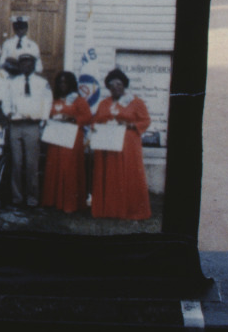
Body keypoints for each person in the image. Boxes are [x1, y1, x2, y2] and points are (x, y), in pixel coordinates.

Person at [90, 68, 151, 221]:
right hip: (108, 145)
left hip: (128, 146)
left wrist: (130, 125)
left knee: (127, 174)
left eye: (119, 83)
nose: (115, 87)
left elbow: (145, 120)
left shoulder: (135, 102)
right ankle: (109, 210)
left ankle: (131, 210)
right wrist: (99, 127)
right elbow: (95, 121)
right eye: (112, 84)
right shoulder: (104, 103)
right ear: (108, 87)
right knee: (109, 175)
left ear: (124, 85)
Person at [41, 71, 93, 214]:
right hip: (55, 138)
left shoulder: (78, 100)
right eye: (60, 82)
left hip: (71, 138)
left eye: (65, 82)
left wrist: (71, 119)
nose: (62, 85)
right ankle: (52, 201)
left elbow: (87, 117)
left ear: (71, 84)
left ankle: (69, 203)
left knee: (68, 168)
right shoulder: (55, 100)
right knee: (54, 168)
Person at [5, 52, 51, 208]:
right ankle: (16, 197)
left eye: (29, 63)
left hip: (32, 125)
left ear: (33, 65)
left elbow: (47, 103)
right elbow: (6, 101)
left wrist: (42, 122)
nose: (26, 65)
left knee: (32, 164)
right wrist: (8, 113)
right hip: (16, 125)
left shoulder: (41, 83)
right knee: (16, 162)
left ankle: (32, 198)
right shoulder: (12, 82)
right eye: (23, 63)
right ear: (19, 65)